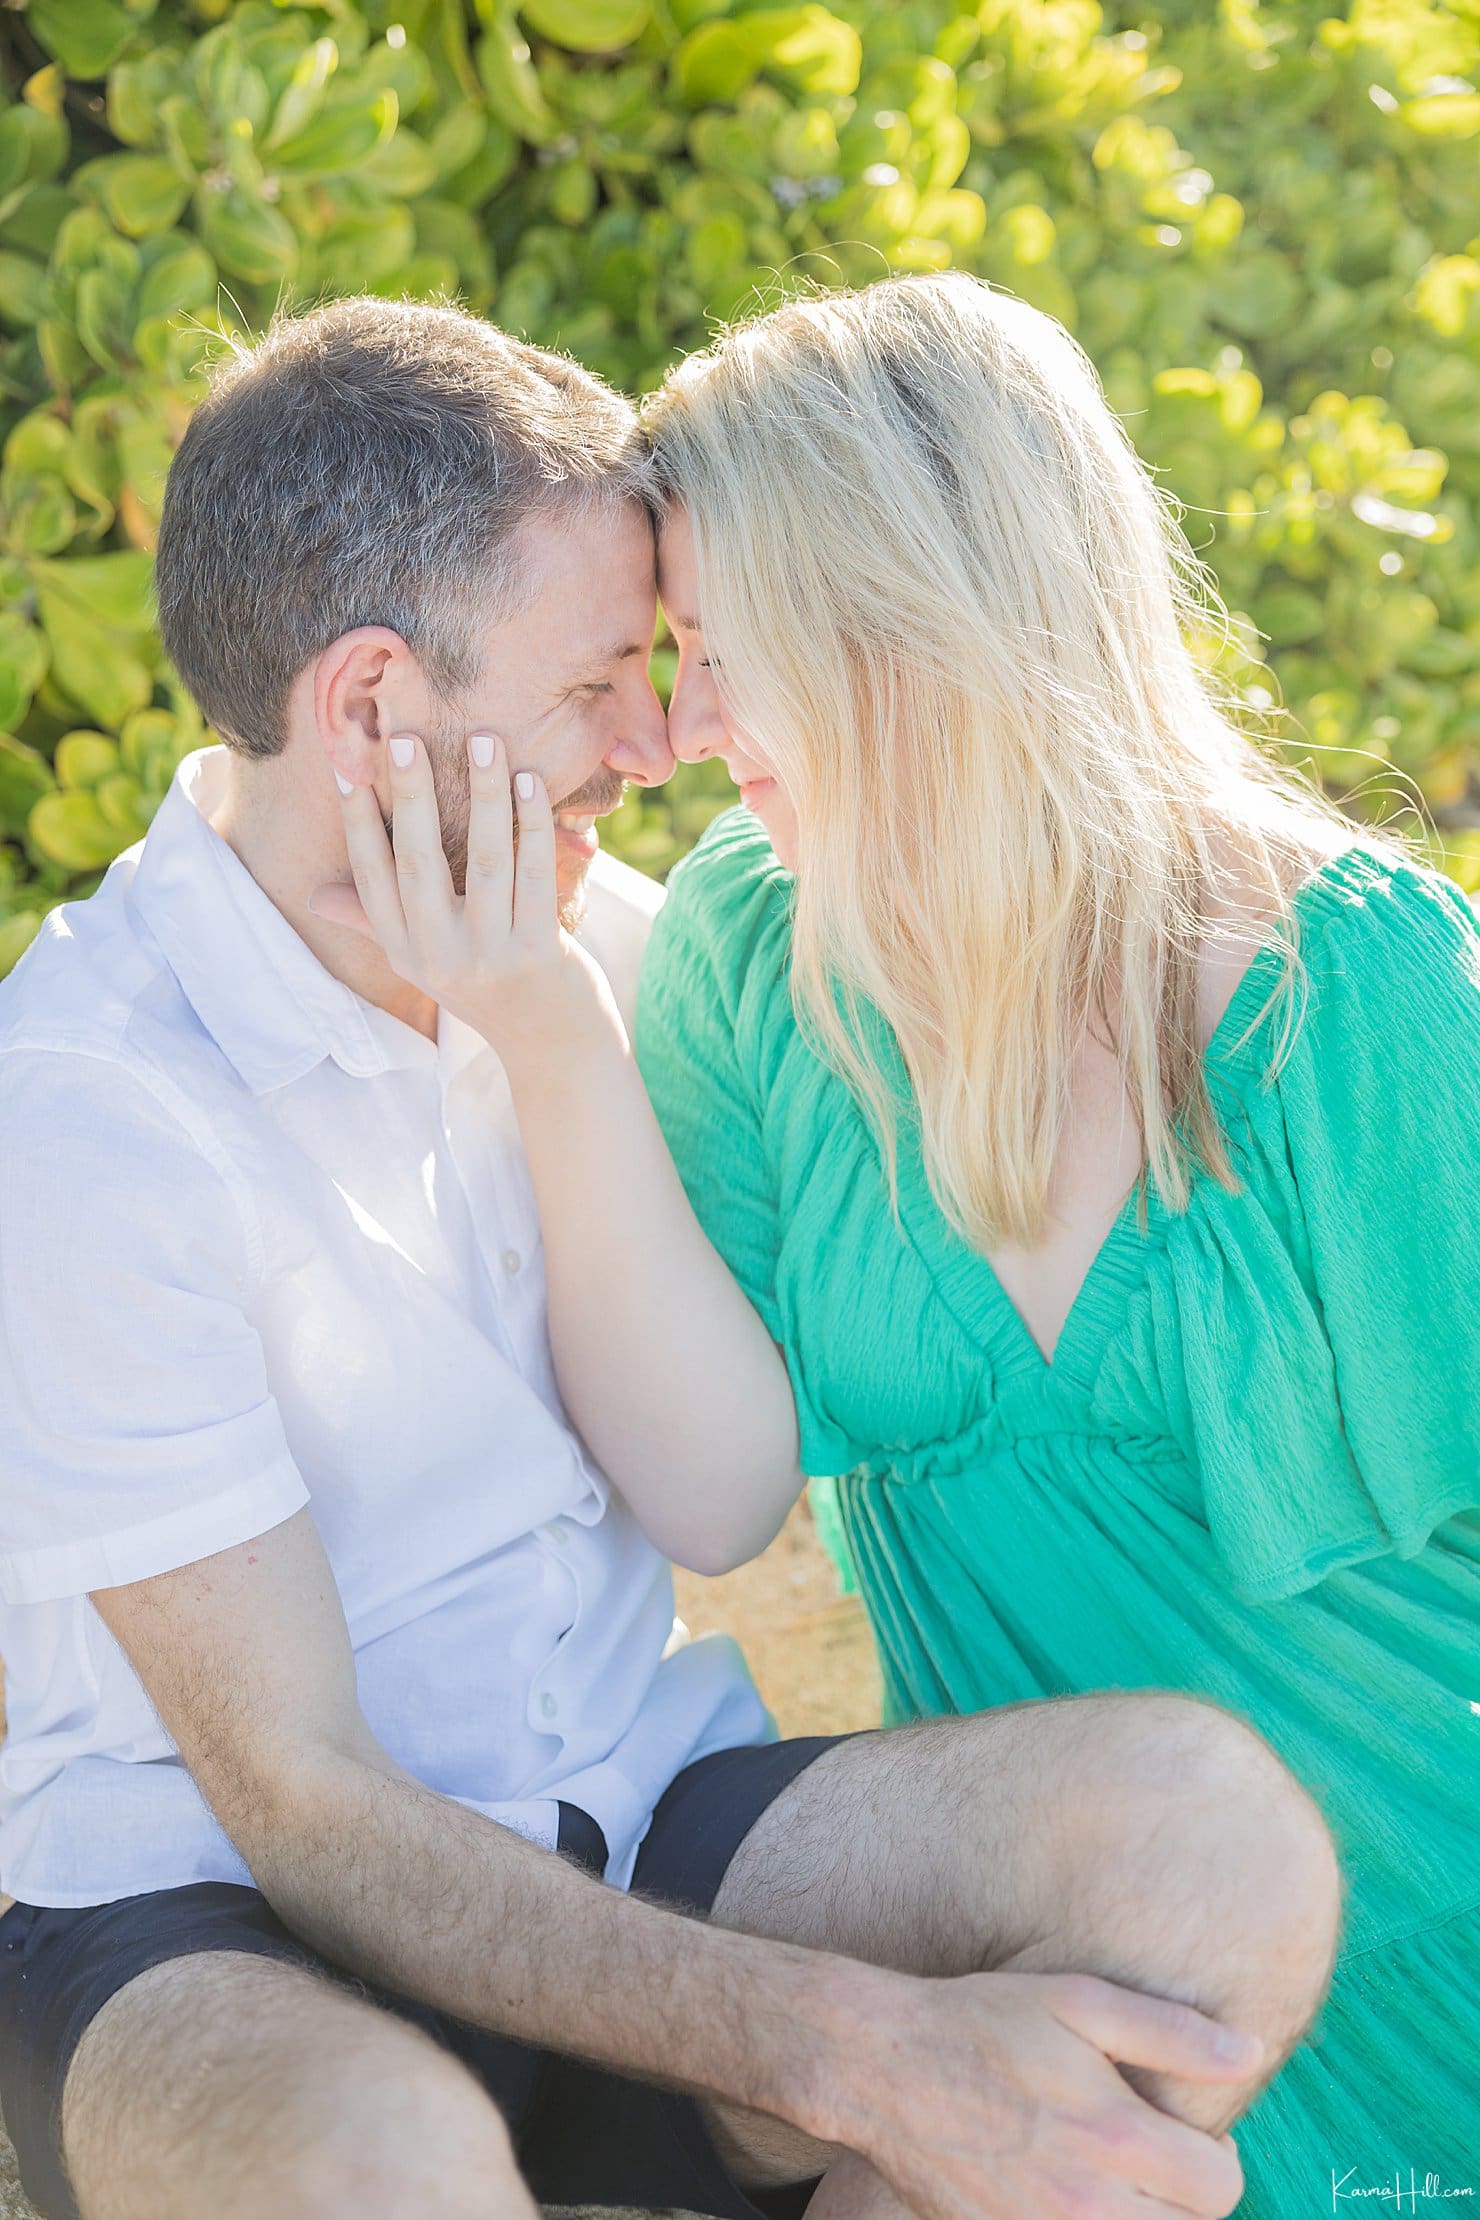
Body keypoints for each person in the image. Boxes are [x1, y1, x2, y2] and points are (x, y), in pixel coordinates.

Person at [0, 294, 1339, 2220]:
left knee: (1208, 1844)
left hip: (627, 1820)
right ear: (373, 706)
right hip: (212, 1921)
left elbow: (721, 1493)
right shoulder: (84, 1115)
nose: (657, 741)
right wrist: (863, 2051)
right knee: (382, 2163)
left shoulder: (618, 956)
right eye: (595, 684)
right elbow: (302, 1805)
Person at [620, 276, 1477, 2207]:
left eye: (723, 649)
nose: (681, 725)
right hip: (1070, 1993)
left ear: (904, 624)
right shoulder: (750, 954)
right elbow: (687, 1476)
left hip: (1442, 1950)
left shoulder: (1360, 989)